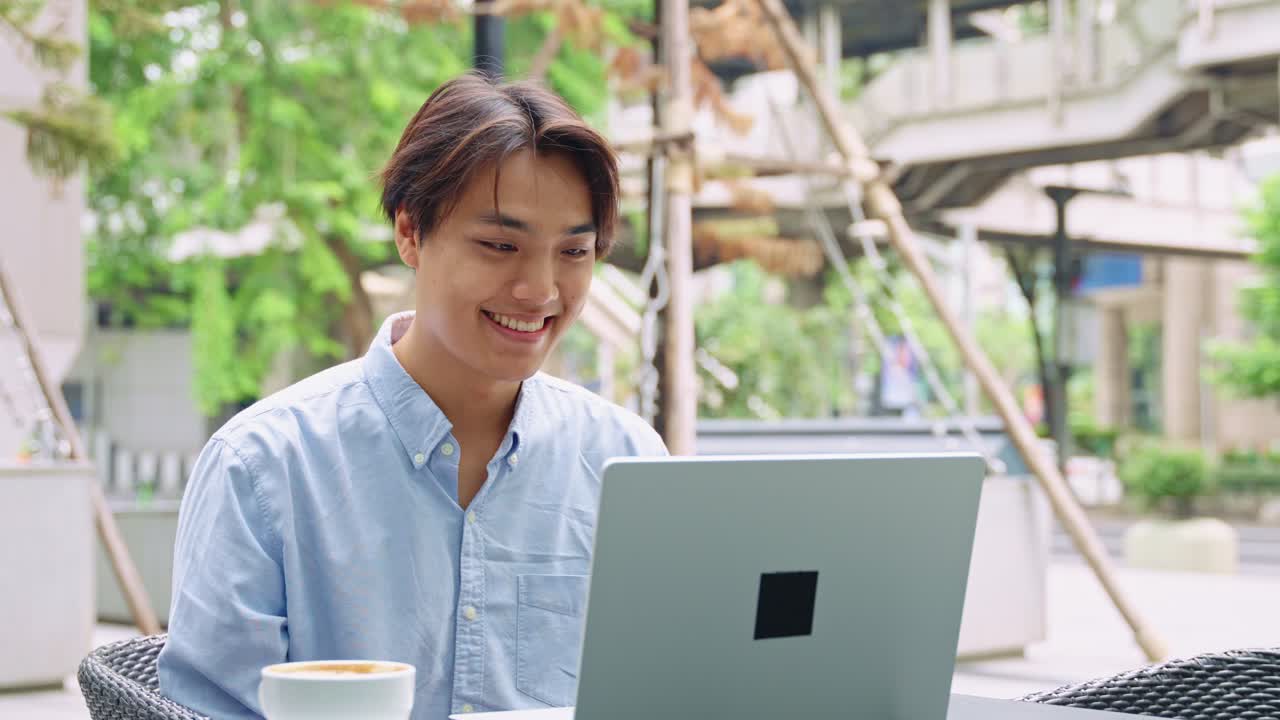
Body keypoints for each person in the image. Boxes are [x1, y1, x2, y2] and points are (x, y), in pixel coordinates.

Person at [158, 73, 668, 720]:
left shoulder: (627, 461)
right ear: (409, 232)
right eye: (500, 245)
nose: (540, 290)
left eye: (574, 251)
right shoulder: (262, 466)